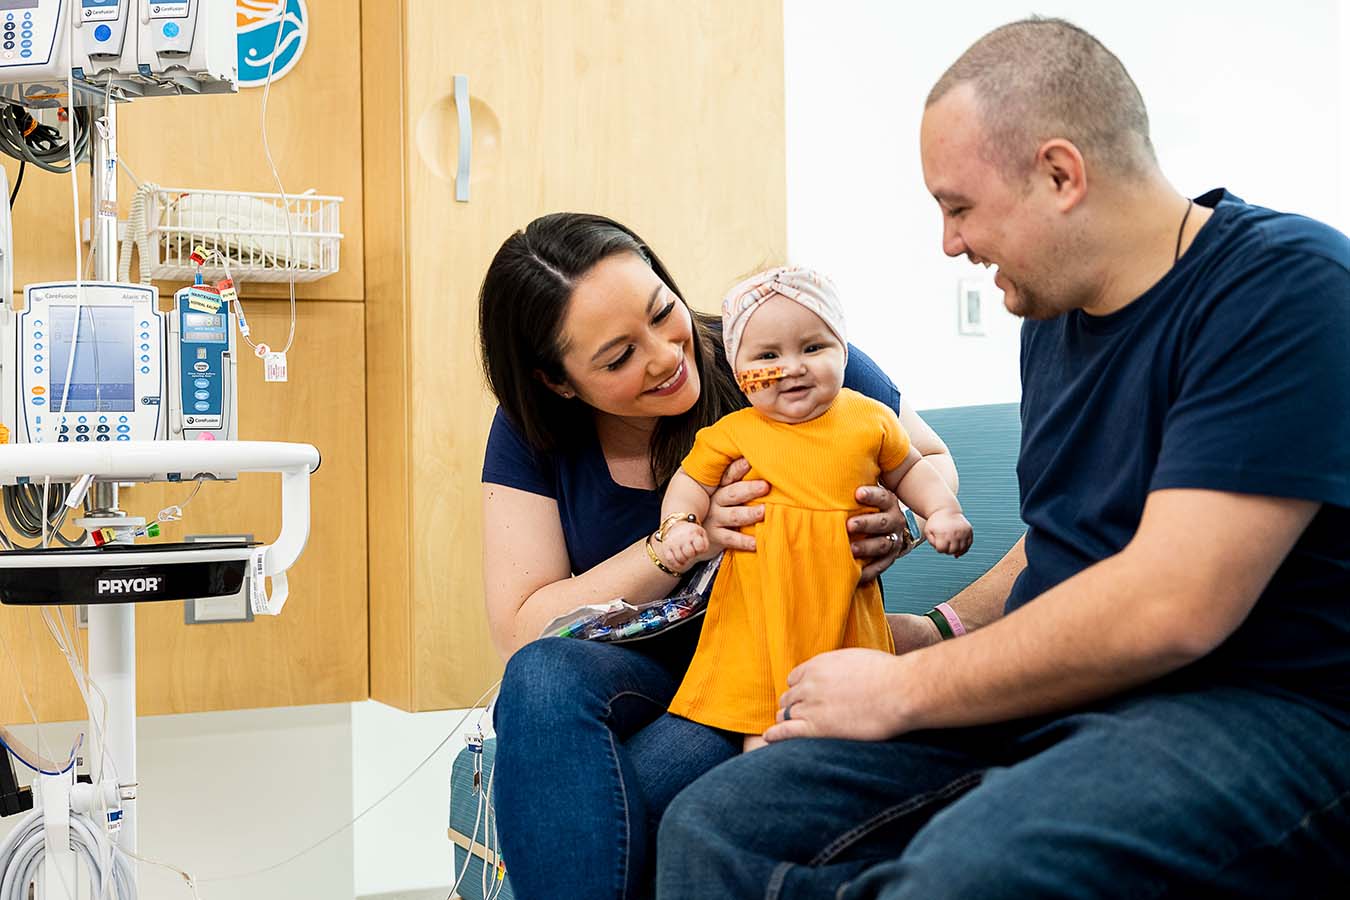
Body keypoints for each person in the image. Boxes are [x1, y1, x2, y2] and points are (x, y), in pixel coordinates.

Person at [656, 17, 1350, 899]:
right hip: (1068, 696)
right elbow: (1069, 544)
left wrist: (907, 690)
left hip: (1259, 706)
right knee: (721, 826)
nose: (949, 243)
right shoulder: (1053, 319)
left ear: (1060, 174)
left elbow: (1174, 603)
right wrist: (936, 630)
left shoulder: (1287, 289)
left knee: (973, 872)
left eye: (958, 207)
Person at [477, 212, 960, 900]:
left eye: (661, 312)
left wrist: (900, 519)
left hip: (761, 660)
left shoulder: (774, 351)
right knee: (541, 675)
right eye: (617, 358)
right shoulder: (534, 431)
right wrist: (679, 543)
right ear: (558, 382)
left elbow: (927, 461)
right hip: (640, 668)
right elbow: (523, 629)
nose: (666, 355)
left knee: (592, 817)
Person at [654, 266, 971, 750]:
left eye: (813, 347)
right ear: (741, 375)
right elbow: (690, 482)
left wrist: (940, 512)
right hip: (761, 615)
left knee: (860, 726)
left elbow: (910, 470)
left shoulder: (868, 417)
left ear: (843, 351)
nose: (792, 366)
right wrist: (680, 525)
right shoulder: (735, 432)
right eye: (767, 356)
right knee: (765, 733)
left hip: (845, 605)